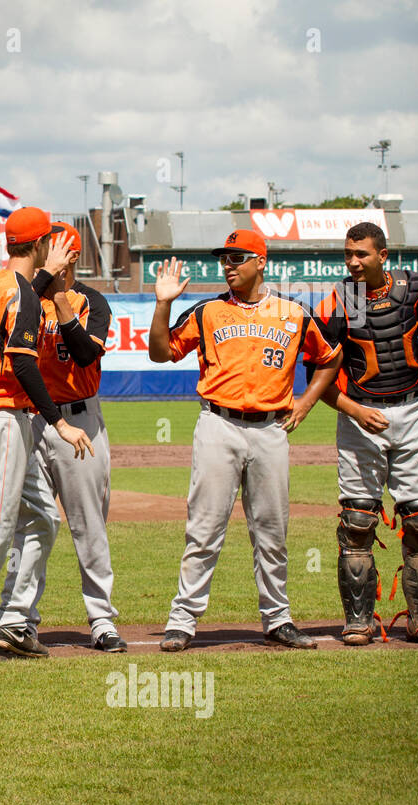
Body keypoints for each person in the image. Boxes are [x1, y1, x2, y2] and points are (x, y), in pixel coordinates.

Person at [148, 229, 341, 652]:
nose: (228, 265)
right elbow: (161, 353)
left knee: (272, 530)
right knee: (204, 528)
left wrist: (306, 403)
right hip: (218, 425)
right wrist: (163, 304)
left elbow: (330, 357)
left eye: (237, 257)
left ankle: (278, 619)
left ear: (261, 262)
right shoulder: (207, 311)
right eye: (224, 259)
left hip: (271, 430)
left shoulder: (294, 312)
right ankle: (182, 620)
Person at [314, 221, 418, 645]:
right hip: (361, 419)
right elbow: (320, 374)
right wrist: (355, 410)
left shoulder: (414, 291)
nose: (352, 262)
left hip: (410, 411)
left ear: (383, 255)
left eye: (361, 254)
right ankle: (359, 621)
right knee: (357, 520)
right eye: (348, 254)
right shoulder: (344, 300)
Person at [0, 206, 94, 662]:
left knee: (42, 520)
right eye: (50, 240)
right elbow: (24, 362)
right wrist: (61, 422)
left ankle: (11, 624)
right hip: (4, 414)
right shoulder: (23, 295)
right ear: (39, 245)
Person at [0, 221, 125, 653]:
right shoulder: (22, 298)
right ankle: (19, 620)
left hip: (79, 421)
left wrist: (60, 297)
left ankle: (102, 619)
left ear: (72, 256)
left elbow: (86, 353)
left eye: (60, 249)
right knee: (27, 525)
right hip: (31, 420)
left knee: (89, 525)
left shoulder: (93, 301)